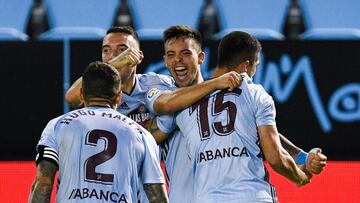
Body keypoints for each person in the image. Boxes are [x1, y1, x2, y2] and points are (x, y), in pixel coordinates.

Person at [145, 26, 327, 202]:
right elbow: (273, 154)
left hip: (206, 197)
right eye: (171, 55)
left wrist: (301, 156)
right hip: (250, 195)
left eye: (185, 53)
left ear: (201, 57)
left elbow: (254, 131)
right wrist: (300, 177)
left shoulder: (185, 110)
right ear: (246, 66)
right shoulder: (169, 96)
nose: (178, 60)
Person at [64, 26, 242, 202]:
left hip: (148, 190)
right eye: (106, 51)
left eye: (122, 50)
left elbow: (167, 108)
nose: (114, 56)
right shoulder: (98, 94)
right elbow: (71, 98)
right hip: (105, 191)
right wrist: (112, 66)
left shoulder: (157, 85)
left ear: (138, 56)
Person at [29, 61, 168, 203]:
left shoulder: (58, 124)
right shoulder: (142, 134)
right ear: (119, 97)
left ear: (82, 94)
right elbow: (157, 196)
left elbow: (44, 184)